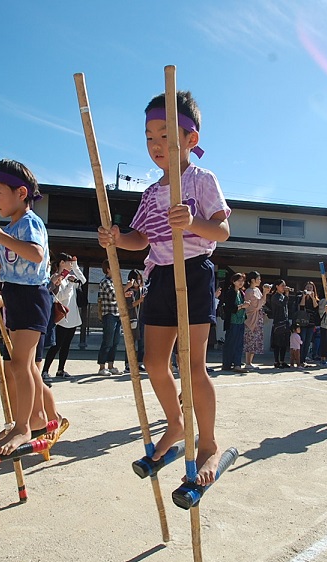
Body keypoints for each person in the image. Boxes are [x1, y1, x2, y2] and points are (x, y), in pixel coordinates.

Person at [97, 89, 230, 485]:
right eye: (149, 136)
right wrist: (117, 239)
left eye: (165, 136)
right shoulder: (152, 192)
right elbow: (142, 238)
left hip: (194, 271)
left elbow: (222, 231)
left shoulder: (203, 180)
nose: (156, 145)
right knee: (153, 363)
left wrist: (191, 222)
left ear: (191, 140)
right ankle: (175, 424)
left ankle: (208, 443)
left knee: (192, 366)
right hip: (160, 277)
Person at [0, 158, 53, 455]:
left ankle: (23, 426)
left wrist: (0, 237)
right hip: (15, 296)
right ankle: (36, 418)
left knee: (21, 363)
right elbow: (10, 265)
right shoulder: (11, 227)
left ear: (20, 193)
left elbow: (35, 254)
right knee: (24, 365)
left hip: (33, 297)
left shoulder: (30, 223)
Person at [43, 253, 85, 379]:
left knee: (66, 345)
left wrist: (76, 266)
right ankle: (45, 370)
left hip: (72, 316)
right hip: (61, 317)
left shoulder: (69, 277)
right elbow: (60, 297)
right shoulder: (56, 277)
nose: (71, 265)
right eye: (69, 262)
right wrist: (70, 284)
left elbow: (82, 280)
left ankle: (61, 369)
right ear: (62, 262)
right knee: (56, 345)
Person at [96, 260, 122, 376]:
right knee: (107, 341)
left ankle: (111, 365)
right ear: (108, 269)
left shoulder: (114, 282)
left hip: (117, 314)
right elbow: (114, 296)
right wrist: (126, 289)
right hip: (109, 314)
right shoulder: (105, 282)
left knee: (115, 341)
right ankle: (102, 367)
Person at [220, 272, 248, 372]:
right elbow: (229, 308)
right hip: (232, 321)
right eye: (239, 280)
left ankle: (237, 364)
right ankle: (227, 364)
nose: (241, 283)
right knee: (230, 343)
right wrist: (242, 306)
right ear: (233, 281)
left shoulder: (241, 293)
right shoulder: (230, 292)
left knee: (239, 344)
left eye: (243, 281)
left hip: (240, 321)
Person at [243, 271, 270, 369]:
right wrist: (264, 294)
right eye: (258, 279)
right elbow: (256, 306)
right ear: (252, 280)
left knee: (255, 340)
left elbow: (263, 302)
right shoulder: (249, 291)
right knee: (250, 340)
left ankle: (250, 362)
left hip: (258, 317)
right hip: (251, 318)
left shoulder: (257, 290)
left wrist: (264, 293)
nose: (260, 281)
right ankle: (247, 362)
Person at [123, 269, 147, 372]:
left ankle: (140, 362)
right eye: (136, 279)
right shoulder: (129, 291)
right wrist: (139, 301)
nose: (138, 281)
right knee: (131, 342)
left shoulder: (143, 290)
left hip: (142, 319)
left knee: (142, 342)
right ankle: (128, 364)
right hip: (132, 319)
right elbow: (129, 305)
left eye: (139, 279)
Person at [296, 281, 319, 365]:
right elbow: (301, 307)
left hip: (311, 322)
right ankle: (299, 359)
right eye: (307, 287)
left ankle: (303, 359)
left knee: (308, 342)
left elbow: (316, 307)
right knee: (302, 340)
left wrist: (313, 298)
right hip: (303, 322)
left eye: (310, 287)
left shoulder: (315, 298)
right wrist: (304, 296)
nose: (309, 289)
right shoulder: (300, 297)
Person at [269, 280, 291, 368]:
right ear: (277, 286)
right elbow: (282, 304)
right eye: (282, 285)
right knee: (277, 343)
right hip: (278, 322)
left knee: (284, 343)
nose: (284, 287)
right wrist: (287, 295)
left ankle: (282, 360)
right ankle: (276, 361)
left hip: (285, 321)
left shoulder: (282, 296)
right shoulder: (275, 297)